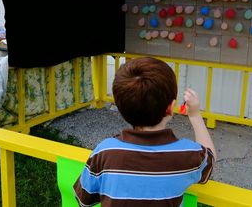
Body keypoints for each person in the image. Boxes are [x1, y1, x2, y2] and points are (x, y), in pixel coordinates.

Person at [73, 57, 216, 207]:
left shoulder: (105, 152)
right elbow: (210, 159)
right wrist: (195, 115)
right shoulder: (187, 154)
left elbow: (84, 199)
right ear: (170, 108)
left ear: (122, 108)